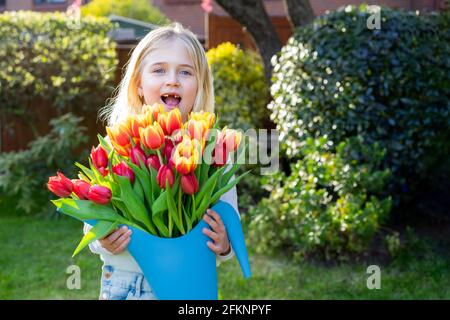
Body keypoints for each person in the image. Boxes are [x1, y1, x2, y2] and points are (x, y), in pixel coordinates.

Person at [84, 22, 240, 300]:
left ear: (200, 86)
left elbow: (229, 220)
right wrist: (103, 241)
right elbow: (92, 224)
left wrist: (226, 245)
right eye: (159, 70)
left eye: (185, 72)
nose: (172, 80)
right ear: (139, 86)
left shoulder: (212, 148)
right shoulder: (119, 144)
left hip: (191, 283)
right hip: (125, 284)